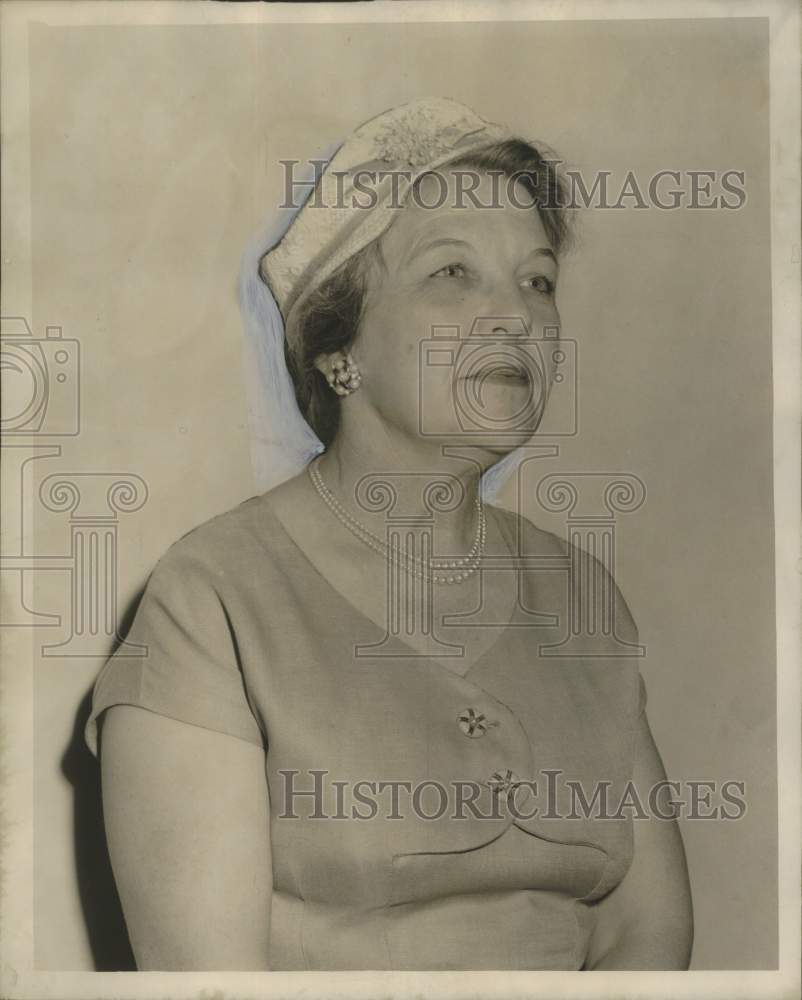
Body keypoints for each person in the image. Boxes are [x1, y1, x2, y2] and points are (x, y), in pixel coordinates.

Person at [84, 97, 693, 971]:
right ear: (341, 349)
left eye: (539, 279)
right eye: (453, 272)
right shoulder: (213, 598)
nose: (517, 315)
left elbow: (651, 935)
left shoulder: (579, 592)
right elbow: (210, 981)